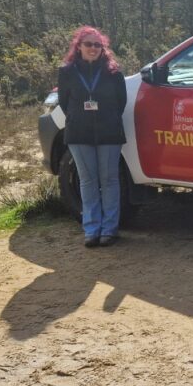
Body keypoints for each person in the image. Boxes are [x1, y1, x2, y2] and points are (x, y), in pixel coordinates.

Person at [58, 26, 128, 248]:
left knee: (109, 180)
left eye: (98, 45)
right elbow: (64, 102)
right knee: (88, 181)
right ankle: (91, 229)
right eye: (88, 44)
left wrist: (107, 118)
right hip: (79, 132)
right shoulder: (67, 72)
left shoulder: (113, 72)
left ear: (103, 48)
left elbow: (121, 102)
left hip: (109, 132)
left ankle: (109, 229)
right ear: (78, 47)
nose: (93, 48)